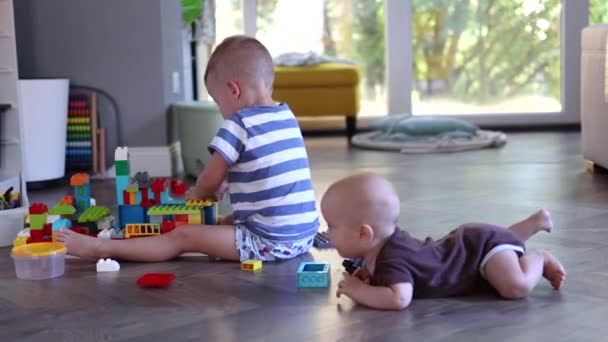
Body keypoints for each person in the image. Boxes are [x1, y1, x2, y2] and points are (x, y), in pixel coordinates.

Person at [58, 35, 319, 262]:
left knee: (182, 236)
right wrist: (227, 183)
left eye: (218, 101)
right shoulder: (286, 115)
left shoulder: (239, 123)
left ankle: (100, 248)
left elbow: (209, 179)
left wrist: (199, 192)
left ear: (233, 91)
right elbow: (265, 167)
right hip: (303, 236)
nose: (220, 109)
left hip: (268, 242)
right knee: (223, 222)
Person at [321, 173, 566, 310]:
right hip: (471, 247)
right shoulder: (382, 250)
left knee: (515, 287)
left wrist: (360, 291)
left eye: (332, 226)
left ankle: (539, 257)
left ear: (364, 234)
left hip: (480, 251)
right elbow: (391, 278)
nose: (327, 233)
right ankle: (535, 222)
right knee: (502, 245)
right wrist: (370, 277)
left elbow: (399, 299)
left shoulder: (392, 258)